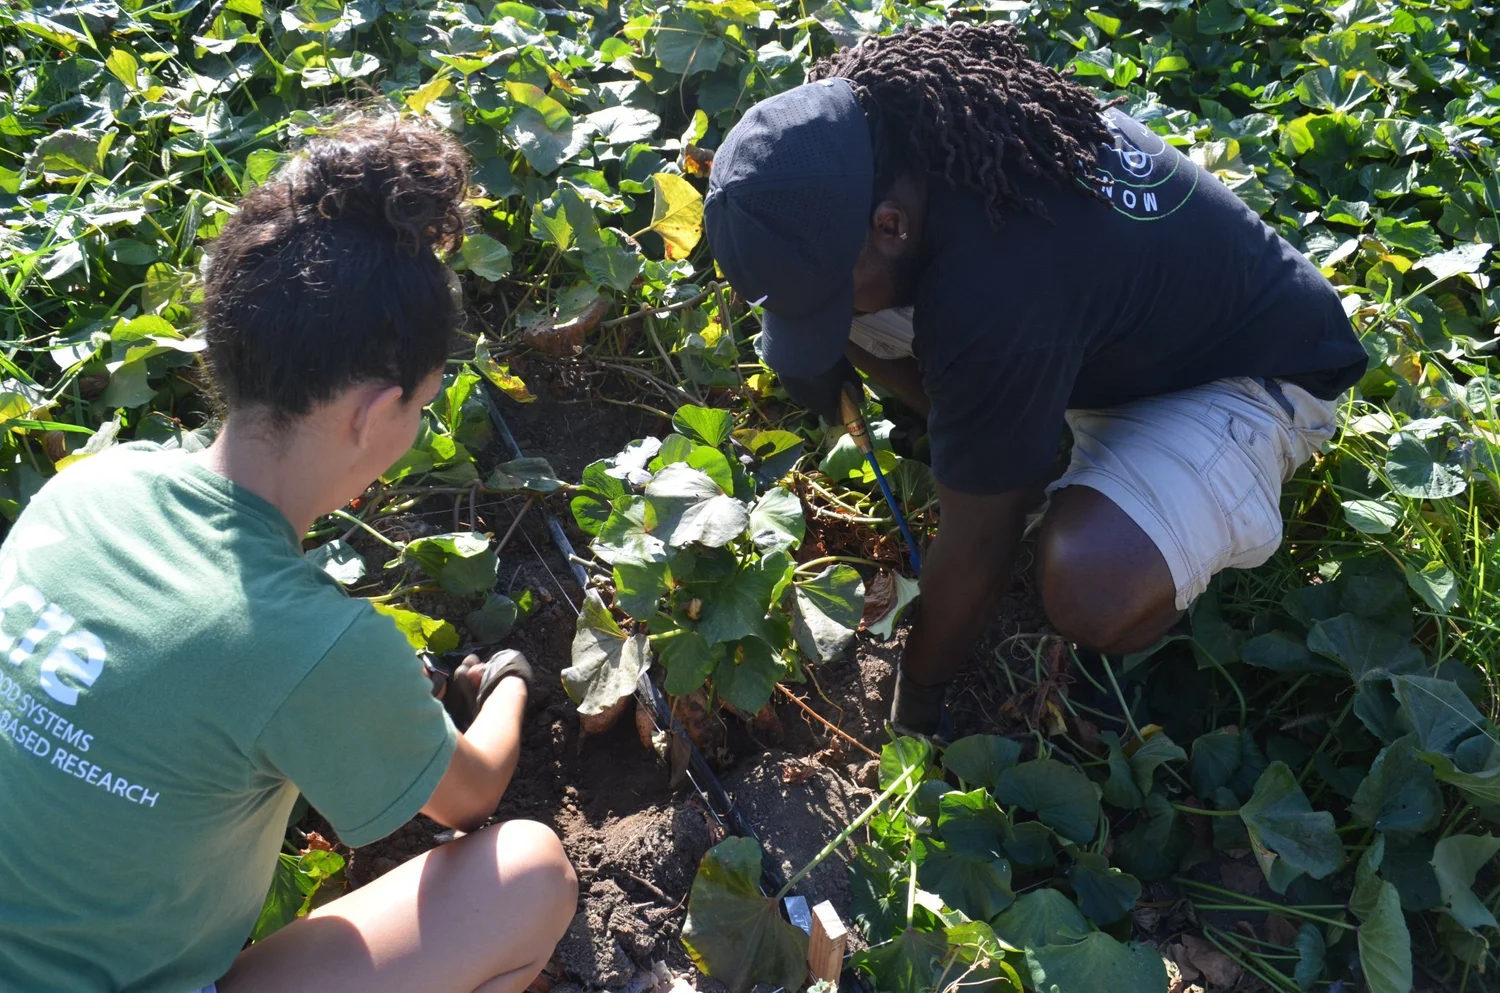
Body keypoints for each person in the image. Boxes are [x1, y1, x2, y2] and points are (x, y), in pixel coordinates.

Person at [0, 114, 577, 992]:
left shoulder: (89, 486)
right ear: (370, 413)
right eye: (420, 406)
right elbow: (472, 794)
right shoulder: (313, 644)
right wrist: (508, 684)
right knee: (530, 874)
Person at [704, 23, 1368, 736]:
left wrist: (920, 688)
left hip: (1245, 377)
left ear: (890, 225)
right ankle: (1011, 438)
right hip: (1101, 329)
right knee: (859, 318)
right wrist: (820, 340)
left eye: (831, 292)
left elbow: (978, 548)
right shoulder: (889, 122)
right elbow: (856, 292)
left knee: (1090, 578)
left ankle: (1100, 516)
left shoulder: (996, 292)